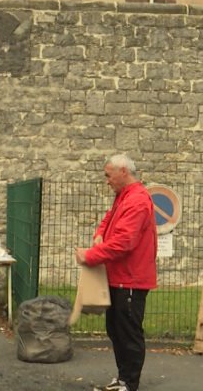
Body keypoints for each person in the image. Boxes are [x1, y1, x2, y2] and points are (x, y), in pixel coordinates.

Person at [75, 154, 157, 391]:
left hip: (130, 280)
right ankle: (123, 379)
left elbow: (124, 242)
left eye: (108, 175)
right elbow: (108, 221)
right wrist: (99, 235)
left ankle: (129, 383)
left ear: (123, 172)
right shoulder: (123, 198)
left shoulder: (136, 201)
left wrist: (90, 255)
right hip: (120, 277)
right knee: (116, 330)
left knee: (128, 333)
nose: (107, 181)